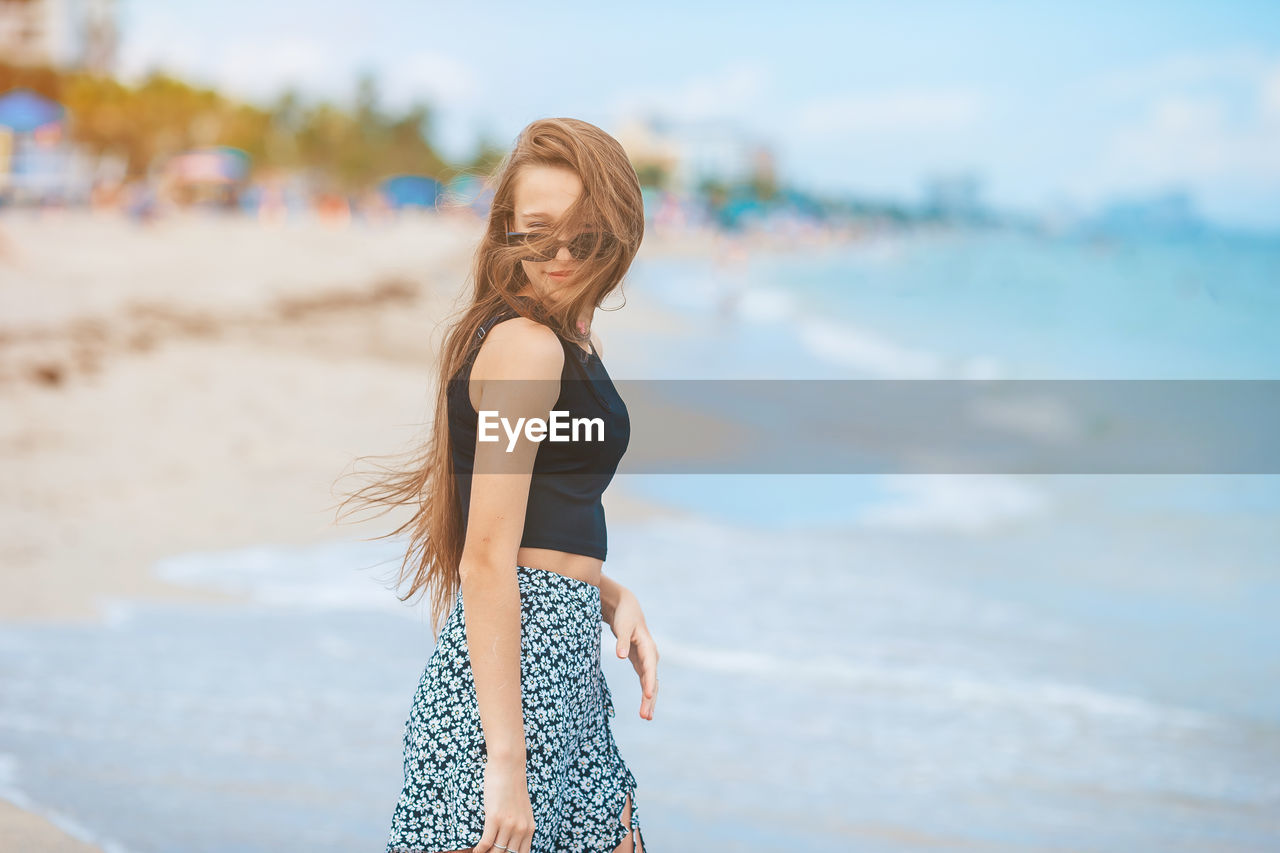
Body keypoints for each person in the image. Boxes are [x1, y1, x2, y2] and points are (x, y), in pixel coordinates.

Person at [338, 118, 657, 853]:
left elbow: (538, 519)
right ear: (504, 232)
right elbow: (485, 556)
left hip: (566, 673)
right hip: (513, 692)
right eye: (539, 232)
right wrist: (505, 764)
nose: (564, 253)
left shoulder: (571, 339)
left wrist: (607, 593)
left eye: (587, 233)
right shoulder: (525, 347)